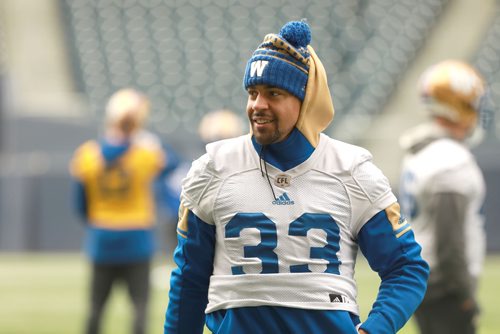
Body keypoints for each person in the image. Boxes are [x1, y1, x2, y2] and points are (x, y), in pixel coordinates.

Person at [165, 20, 429, 334]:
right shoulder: (214, 167)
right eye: (253, 93)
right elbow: (189, 280)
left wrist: (376, 329)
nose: (257, 105)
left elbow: (406, 267)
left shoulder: (352, 170)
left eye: (273, 93)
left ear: (305, 101)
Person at [69, 88, 179, 334]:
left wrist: (99, 221)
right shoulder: (144, 154)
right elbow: (171, 165)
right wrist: (147, 139)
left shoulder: (87, 154)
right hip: (136, 237)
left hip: (102, 236)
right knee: (140, 308)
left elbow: (79, 203)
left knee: (96, 308)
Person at [399, 60, 487, 334]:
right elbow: (449, 240)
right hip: (443, 287)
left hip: (422, 280)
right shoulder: (450, 159)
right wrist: (463, 294)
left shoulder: (420, 152)